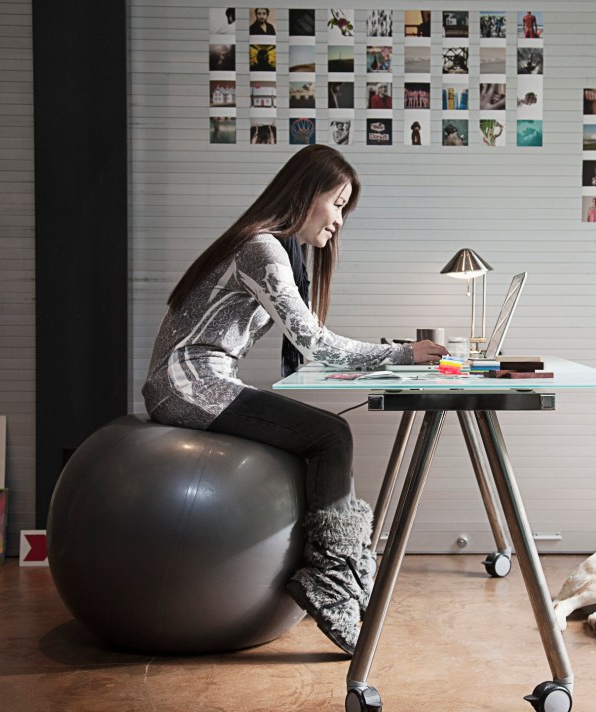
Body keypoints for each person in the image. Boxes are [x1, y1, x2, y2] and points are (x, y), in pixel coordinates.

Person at [142, 145, 447, 655]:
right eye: (338, 203)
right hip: (187, 385)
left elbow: (310, 346)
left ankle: (333, 573)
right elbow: (314, 341)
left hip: (196, 382)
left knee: (323, 434)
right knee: (331, 434)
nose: (340, 221)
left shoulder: (271, 248)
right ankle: (331, 580)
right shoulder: (262, 248)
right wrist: (403, 354)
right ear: (307, 195)